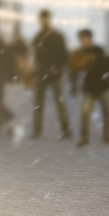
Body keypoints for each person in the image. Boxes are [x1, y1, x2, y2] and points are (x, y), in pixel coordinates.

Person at [29, 10, 72, 140]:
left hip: (54, 74)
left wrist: (58, 68)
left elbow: (64, 55)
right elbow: (36, 56)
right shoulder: (38, 37)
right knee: (39, 103)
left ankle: (66, 130)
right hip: (42, 73)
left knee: (59, 102)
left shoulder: (57, 36)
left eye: (45, 19)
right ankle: (37, 131)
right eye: (41, 19)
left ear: (49, 19)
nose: (43, 22)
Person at [69, 28, 109, 146]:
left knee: (106, 112)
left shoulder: (99, 50)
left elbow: (108, 66)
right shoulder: (78, 52)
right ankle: (84, 138)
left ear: (90, 38)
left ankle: (106, 135)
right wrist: (73, 84)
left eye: (84, 38)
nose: (83, 41)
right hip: (89, 87)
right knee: (85, 113)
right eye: (81, 39)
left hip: (102, 85)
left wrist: (108, 78)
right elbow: (73, 70)